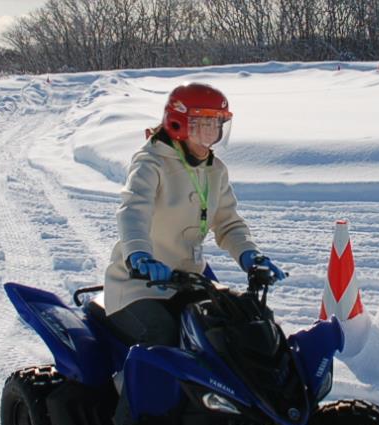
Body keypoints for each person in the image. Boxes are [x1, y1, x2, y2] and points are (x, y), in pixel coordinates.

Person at [102, 82, 286, 347]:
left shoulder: (215, 170)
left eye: (217, 126)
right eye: (202, 126)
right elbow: (133, 210)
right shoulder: (150, 162)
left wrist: (250, 254)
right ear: (178, 124)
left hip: (188, 282)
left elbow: (228, 222)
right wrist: (139, 255)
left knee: (244, 323)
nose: (210, 136)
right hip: (139, 285)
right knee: (163, 337)